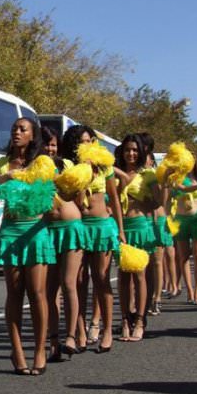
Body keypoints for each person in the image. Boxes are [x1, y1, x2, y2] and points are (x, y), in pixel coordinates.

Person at [0, 118, 56, 374]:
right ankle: (16, 350)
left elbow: (55, 195)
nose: (16, 133)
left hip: (35, 231)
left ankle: (39, 350)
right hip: (10, 230)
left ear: (33, 135)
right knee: (14, 293)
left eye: (22, 129)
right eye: (14, 129)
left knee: (38, 293)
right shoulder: (3, 164)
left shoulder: (43, 163)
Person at [61, 125, 125, 353]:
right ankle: (79, 330)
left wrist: (120, 229)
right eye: (80, 142)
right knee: (78, 281)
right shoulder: (69, 166)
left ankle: (106, 329)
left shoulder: (104, 165)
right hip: (79, 227)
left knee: (101, 278)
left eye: (89, 140)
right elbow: (69, 198)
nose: (85, 145)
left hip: (102, 227)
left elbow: (115, 199)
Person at [42, 127, 88, 359]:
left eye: (53, 145)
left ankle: (71, 337)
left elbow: (78, 198)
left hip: (70, 228)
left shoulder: (66, 166)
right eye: (45, 144)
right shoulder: (31, 169)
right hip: (46, 231)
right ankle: (53, 341)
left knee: (69, 283)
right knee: (50, 290)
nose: (50, 149)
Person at [114, 134, 156, 341]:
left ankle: (140, 320)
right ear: (122, 152)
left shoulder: (148, 175)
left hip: (140, 227)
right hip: (121, 227)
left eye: (135, 150)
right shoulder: (114, 174)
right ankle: (124, 319)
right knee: (123, 277)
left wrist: (143, 204)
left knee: (139, 276)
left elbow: (158, 202)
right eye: (127, 150)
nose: (131, 154)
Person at [169, 161, 197, 304]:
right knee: (183, 257)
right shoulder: (175, 178)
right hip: (181, 220)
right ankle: (189, 291)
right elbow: (183, 188)